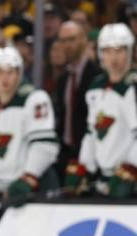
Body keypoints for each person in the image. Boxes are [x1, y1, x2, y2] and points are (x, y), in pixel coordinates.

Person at [0, 46, 59, 203]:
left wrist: (29, 177)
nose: (5, 78)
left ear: (19, 73)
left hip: (33, 189)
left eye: (10, 72)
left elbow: (45, 146)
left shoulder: (34, 98)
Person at [67, 24, 137, 198]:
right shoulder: (95, 87)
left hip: (130, 182)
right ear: (100, 54)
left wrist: (132, 168)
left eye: (119, 50)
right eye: (107, 51)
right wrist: (84, 166)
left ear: (129, 52)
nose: (114, 57)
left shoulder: (133, 87)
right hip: (104, 179)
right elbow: (93, 131)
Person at [53, 20, 100, 176]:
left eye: (72, 39)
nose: (67, 45)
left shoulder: (97, 76)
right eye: (63, 41)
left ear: (84, 40)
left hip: (92, 154)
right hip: (66, 155)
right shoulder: (63, 79)